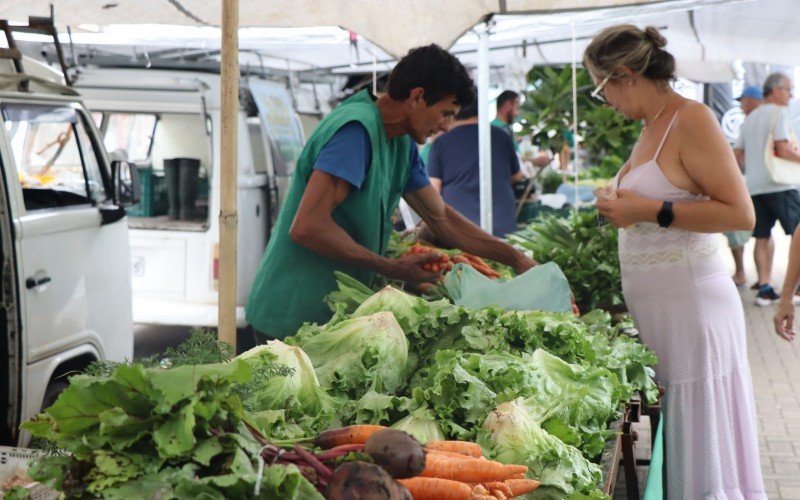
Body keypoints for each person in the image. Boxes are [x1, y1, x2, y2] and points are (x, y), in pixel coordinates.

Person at [245, 45, 536, 341]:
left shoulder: (402, 141)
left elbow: (441, 218)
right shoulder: (355, 131)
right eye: (445, 114)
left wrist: (515, 258)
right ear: (417, 96)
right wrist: (392, 267)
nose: (448, 127)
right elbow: (308, 227)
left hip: (332, 316)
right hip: (293, 314)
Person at [585, 25, 765, 498]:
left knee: (699, 435)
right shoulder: (652, 126)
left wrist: (648, 210)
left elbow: (740, 212)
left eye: (601, 90)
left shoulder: (691, 119)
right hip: (666, 312)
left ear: (624, 75)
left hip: (693, 309)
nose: (607, 103)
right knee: (682, 433)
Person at [734, 72, 800, 306]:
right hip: (781, 184)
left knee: (761, 237)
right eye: (788, 89)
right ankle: (797, 288)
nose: (791, 95)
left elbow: (738, 155)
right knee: (798, 233)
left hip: (755, 186)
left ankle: (764, 288)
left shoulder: (749, 119)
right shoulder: (779, 113)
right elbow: (783, 149)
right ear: (775, 91)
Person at [426, 94, 523, 237]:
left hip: (460, 229)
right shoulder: (501, 136)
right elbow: (517, 176)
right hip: (502, 224)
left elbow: (434, 189)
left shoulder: (441, 142)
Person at [727, 85, 763, 286]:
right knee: (764, 233)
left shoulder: (749, 123)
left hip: (750, 182)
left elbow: (738, 155)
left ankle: (741, 273)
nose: (741, 105)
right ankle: (763, 279)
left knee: (735, 227)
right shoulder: (772, 119)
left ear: (752, 100)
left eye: (743, 101)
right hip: (771, 183)